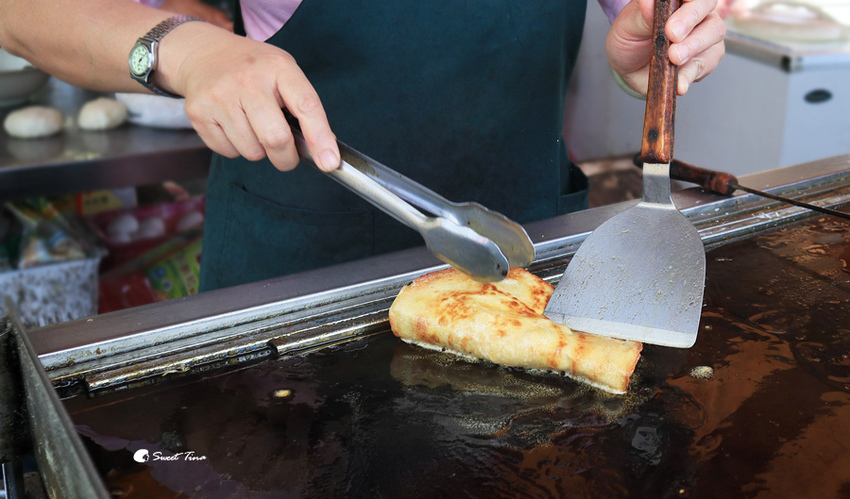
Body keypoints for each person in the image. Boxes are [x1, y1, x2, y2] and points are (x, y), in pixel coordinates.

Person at [0, 0, 726, 291]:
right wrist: (185, 51)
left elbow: (643, 25)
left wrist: (655, 54)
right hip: (295, 271)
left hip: (517, 261)